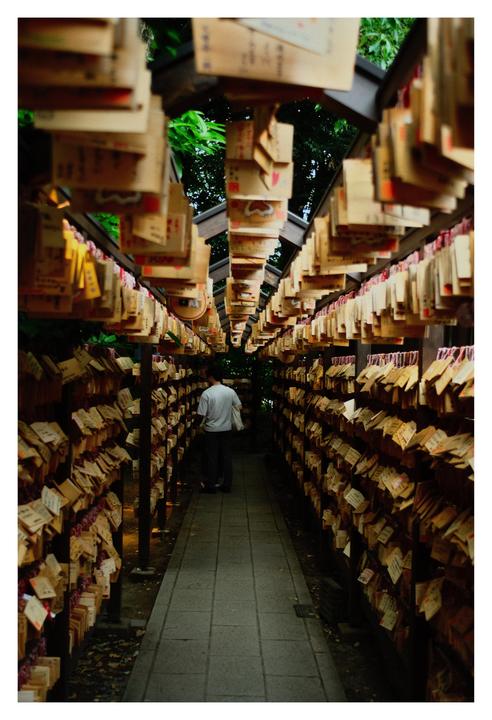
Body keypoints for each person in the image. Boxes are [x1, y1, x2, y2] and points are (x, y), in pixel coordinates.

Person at [197, 365, 241, 494]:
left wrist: (197, 424)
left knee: (212, 457)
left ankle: (211, 485)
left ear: (210, 377)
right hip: (226, 428)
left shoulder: (207, 393)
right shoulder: (230, 392)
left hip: (211, 430)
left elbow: (201, 414)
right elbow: (239, 406)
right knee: (226, 456)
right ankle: (227, 485)